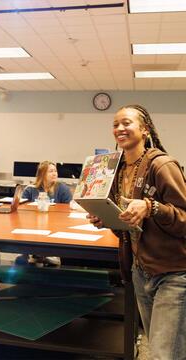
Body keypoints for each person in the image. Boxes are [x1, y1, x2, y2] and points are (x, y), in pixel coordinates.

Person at [88, 104, 186, 360]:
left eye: (127, 123)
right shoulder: (118, 170)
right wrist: (105, 218)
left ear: (144, 129)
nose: (120, 128)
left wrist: (151, 207)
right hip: (140, 271)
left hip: (173, 275)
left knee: (165, 354)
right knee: (159, 346)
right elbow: (129, 224)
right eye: (115, 124)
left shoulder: (162, 165)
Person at [16, 161, 72, 267]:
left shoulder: (62, 189)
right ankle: (28, 253)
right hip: (34, 225)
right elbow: (21, 209)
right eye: (51, 171)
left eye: (55, 171)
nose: (55, 173)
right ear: (42, 174)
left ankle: (49, 253)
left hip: (56, 225)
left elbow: (70, 209)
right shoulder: (31, 189)